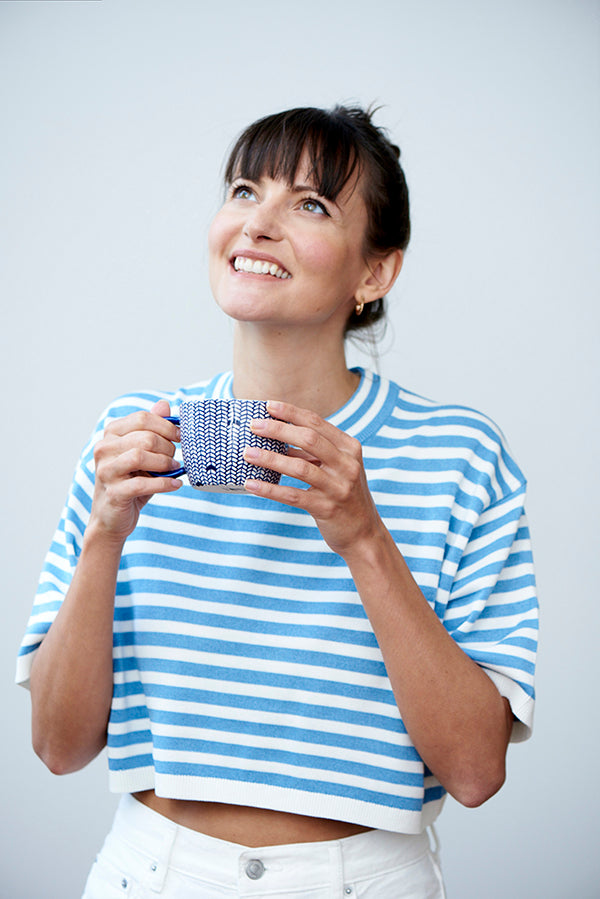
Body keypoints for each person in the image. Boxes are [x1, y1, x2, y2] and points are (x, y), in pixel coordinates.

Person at [17, 105, 538, 898]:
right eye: (243, 190)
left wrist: (365, 536)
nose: (257, 224)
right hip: (148, 872)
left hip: (361, 879)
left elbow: (473, 770)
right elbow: (58, 745)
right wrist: (104, 535)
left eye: (311, 203)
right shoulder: (131, 438)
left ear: (375, 273)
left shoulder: (461, 456)